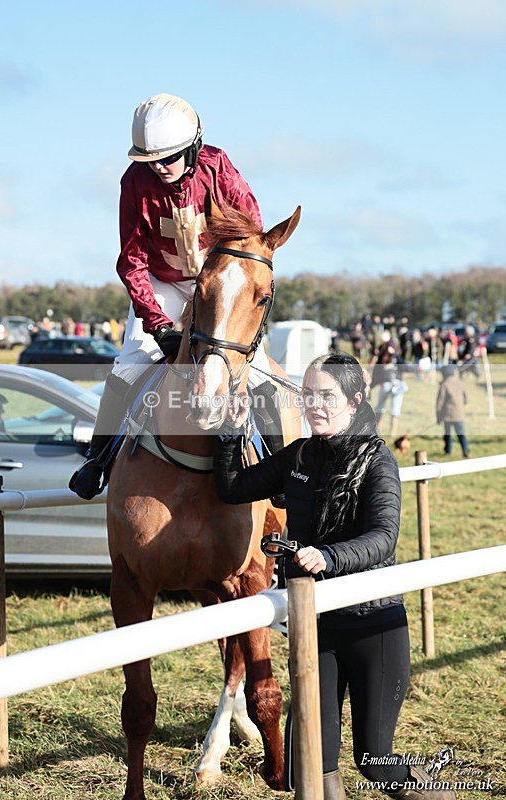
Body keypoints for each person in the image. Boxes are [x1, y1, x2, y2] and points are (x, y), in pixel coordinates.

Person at [214, 353, 455, 800]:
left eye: (327, 396)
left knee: (374, 761)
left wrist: (328, 557)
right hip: (317, 627)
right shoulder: (300, 454)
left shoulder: (377, 459)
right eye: (308, 395)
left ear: (354, 400)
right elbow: (233, 489)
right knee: (310, 760)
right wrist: (230, 433)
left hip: (374, 623)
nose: (315, 405)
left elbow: (383, 538)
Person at [70, 92, 279, 499]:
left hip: (217, 283)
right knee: (130, 362)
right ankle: (97, 460)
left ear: (193, 147)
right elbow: (131, 260)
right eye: (150, 161)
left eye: (168, 158)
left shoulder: (219, 169)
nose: (159, 168)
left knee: (262, 373)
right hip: (162, 284)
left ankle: (279, 468)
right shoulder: (133, 182)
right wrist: (158, 323)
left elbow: (253, 238)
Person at [436, 365, 469, 458]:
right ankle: (465, 450)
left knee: (447, 433)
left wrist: (438, 416)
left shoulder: (444, 385)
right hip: (459, 415)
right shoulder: (459, 383)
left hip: (448, 415)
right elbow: (466, 399)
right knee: (461, 433)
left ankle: (448, 451)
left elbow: (440, 403)